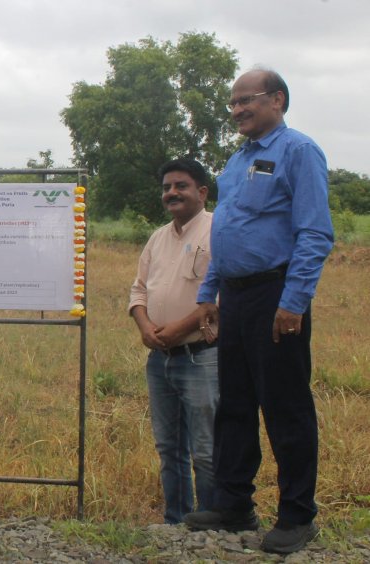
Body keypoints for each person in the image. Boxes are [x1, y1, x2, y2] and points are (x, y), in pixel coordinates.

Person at [183, 69, 333, 554]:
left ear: (278, 100)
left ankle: (297, 515)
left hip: (275, 294)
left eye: (246, 101)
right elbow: (224, 233)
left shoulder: (298, 152)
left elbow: (315, 232)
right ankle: (233, 503)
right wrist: (209, 292)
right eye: (232, 103)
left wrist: (294, 301)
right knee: (236, 405)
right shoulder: (235, 161)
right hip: (236, 295)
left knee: (285, 406)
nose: (237, 110)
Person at [129, 158, 218, 524]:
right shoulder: (158, 237)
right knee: (169, 448)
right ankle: (176, 520)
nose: (172, 193)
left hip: (202, 356)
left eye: (180, 186)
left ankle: (212, 522)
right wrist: (145, 325)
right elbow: (138, 289)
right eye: (167, 187)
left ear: (201, 192)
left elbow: (224, 296)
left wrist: (179, 328)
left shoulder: (219, 231)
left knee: (206, 449)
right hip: (160, 359)